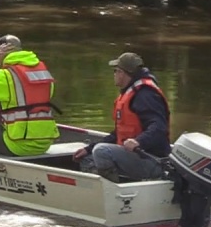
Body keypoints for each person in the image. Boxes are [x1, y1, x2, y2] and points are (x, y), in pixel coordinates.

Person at [73, 51, 171, 182]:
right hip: (137, 158)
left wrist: (138, 141)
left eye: (116, 71)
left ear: (122, 73)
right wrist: (88, 149)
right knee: (88, 157)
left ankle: (114, 191)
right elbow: (117, 135)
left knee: (102, 152)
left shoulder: (145, 95)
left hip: (152, 161)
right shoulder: (131, 93)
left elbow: (159, 126)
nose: (114, 74)